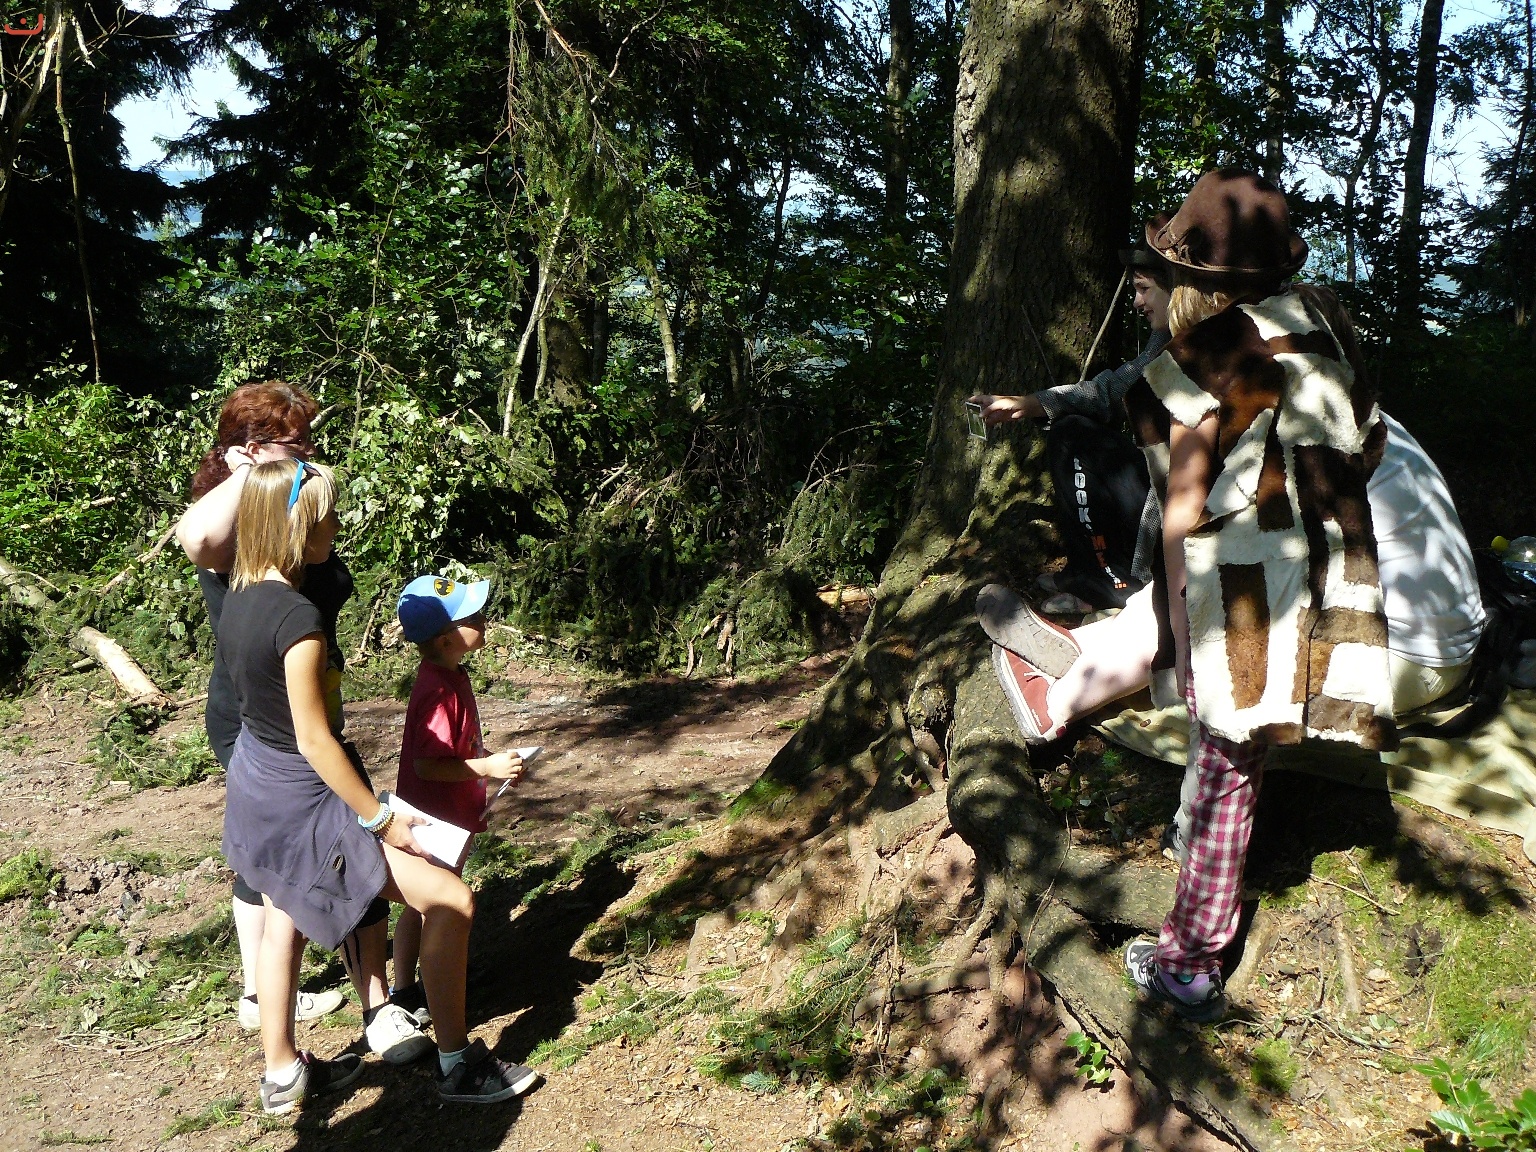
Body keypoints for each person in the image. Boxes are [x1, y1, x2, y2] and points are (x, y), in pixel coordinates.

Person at [1002, 170, 1396, 1023]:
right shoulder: (1321, 326)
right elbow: (1366, 443)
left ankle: (1189, 961)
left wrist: (1178, 621)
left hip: (1246, 595)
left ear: (1193, 283)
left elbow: (1181, 509)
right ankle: (1195, 867)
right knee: (1245, 747)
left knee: (1224, 759)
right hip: (1329, 572)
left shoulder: (1204, 360)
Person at [220, 459, 539, 1111]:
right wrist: (379, 817)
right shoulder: (297, 621)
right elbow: (314, 740)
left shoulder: (237, 597)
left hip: (255, 786)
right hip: (305, 797)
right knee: (450, 900)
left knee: (283, 916)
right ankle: (458, 1067)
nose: (337, 526)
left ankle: (281, 1074)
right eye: (328, 515)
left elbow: (258, 713)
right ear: (298, 525)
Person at [174, 382, 430, 1065]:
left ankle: (305, 1015)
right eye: (296, 443)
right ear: (251, 449)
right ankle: (339, 1009)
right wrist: (250, 472)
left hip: (311, 713)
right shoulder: (238, 524)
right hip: (261, 724)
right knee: (310, 851)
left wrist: (286, 469)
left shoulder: (297, 511)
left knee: (305, 852)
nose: (310, 452)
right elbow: (195, 538)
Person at [969, 248, 1172, 612]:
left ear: (1177, 288)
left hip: (1180, 498)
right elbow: (1109, 390)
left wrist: (1031, 403)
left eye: (1144, 289)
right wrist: (1028, 403)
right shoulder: (1164, 342)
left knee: (1072, 438)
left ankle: (1112, 585)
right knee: (1070, 431)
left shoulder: (1196, 348)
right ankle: (1085, 569)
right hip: (1166, 488)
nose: (1137, 303)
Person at [388, 573, 529, 1021]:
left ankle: (409, 987)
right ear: (447, 639)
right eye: (472, 617)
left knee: (425, 903)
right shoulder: (436, 691)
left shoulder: (451, 675)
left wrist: (493, 763)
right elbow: (427, 765)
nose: (483, 620)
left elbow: (454, 749)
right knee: (433, 904)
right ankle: (417, 991)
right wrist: (486, 768)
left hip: (452, 814)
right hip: (433, 822)